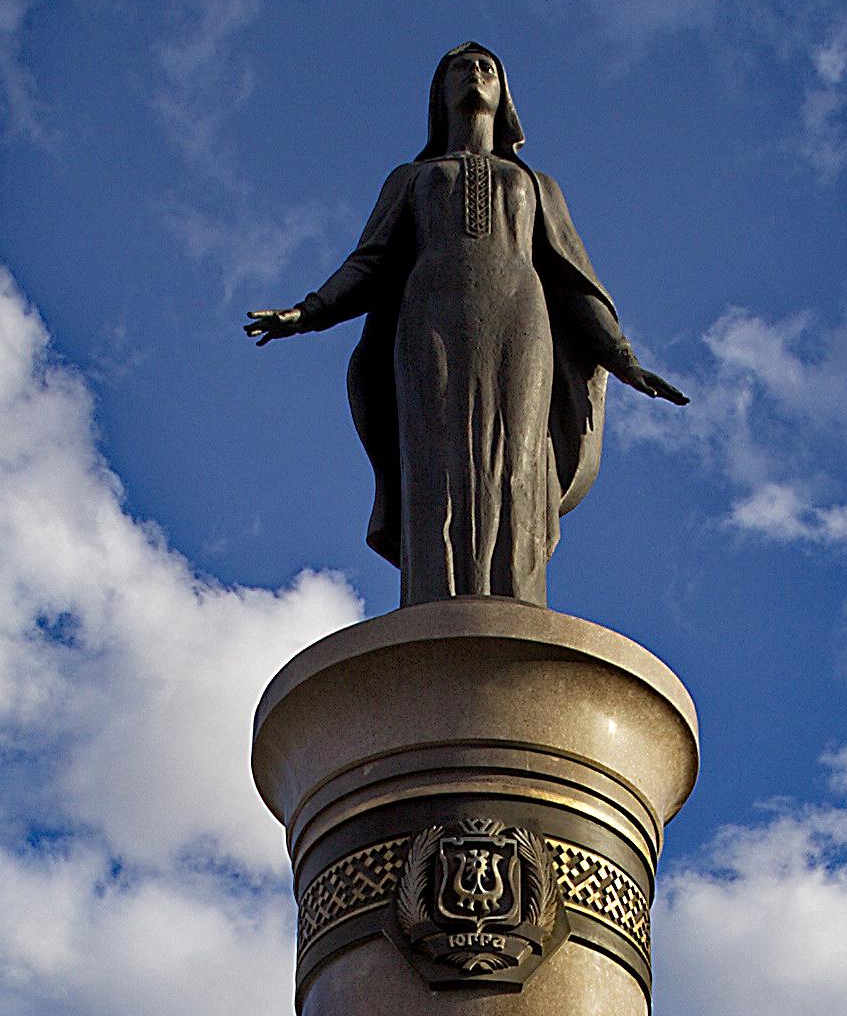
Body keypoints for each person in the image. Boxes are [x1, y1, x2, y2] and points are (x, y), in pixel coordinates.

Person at [244, 42, 694, 608]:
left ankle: (516, 602)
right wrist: (308, 312)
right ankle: (435, 602)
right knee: (434, 458)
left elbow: (575, 283)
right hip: (429, 321)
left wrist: (623, 357)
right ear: (440, 95)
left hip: (522, 324)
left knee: (519, 458)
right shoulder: (411, 179)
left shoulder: (536, 185)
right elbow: (371, 263)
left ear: (504, 94)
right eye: (461, 68)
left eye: (487, 69)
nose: (475, 75)